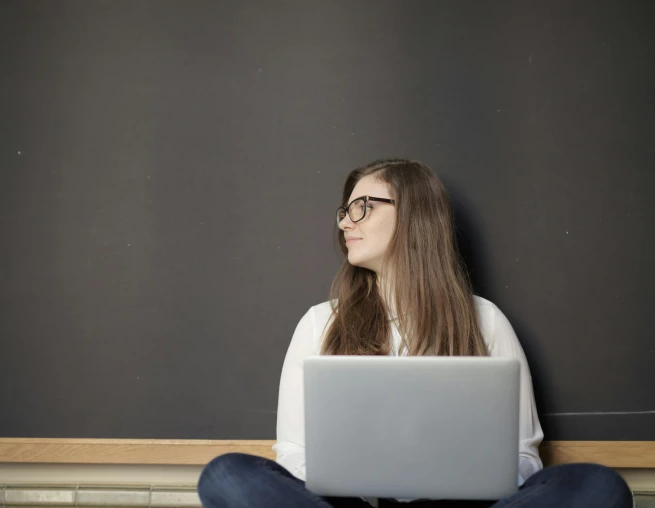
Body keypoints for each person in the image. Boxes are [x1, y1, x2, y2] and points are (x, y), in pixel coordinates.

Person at [197, 159, 633, 508]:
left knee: (596, 485)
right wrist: (355, 471)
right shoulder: (319, 322)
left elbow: (524, 457)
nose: (345, 223)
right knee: (226, 474)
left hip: (465, 506)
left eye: (362, 207)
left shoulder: (485, 321)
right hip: (356, 504)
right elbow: (292, 452)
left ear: (414, 214)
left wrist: (463, 472)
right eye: (344, 211)